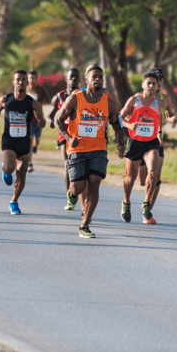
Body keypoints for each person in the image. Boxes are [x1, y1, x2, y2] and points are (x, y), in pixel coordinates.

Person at [55, 64, 125, 238]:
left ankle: (85, 224)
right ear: (86, 79)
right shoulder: (75, 98)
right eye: (94, 77)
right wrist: (69, 138)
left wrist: (120, 142)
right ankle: (71, 194)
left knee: (94, 184)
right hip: (77, 149)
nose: (98, 80)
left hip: (98, 149)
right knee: (78, 187)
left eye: (100, 77)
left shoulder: (110, 103)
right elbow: (58, 120)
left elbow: (117, 126)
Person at [118, 71, 172, 225]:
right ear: (143, 85)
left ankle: (146, 204)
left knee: (154, 173)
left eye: (154, 84)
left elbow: (158, 118)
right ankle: (126, 202)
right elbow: (120, 117)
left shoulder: (160, 103)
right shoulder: (135, 99)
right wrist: (129, 125)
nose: (151, 86)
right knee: (131, 179)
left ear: (157, 87)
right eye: (148, 83)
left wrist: (159, 132)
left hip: (151, 143)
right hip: (135, 142)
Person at [0, 70, 46, 215]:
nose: (21, 82)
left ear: (28, 83)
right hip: (9, 140)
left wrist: (40, 119)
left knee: (22, 176)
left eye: (23, 80)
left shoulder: (32, 103)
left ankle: (14, 201)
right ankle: (6, 169)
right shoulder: (6, 99)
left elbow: (42, 123)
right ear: (14, 82)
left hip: (24, 143)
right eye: (18, 79)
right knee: (10, 168)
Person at [135, 68, 177, 210]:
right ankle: (132, 169)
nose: (158, 82)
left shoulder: (165, 99)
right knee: (141, 181)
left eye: (160, 79)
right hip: (139, 140)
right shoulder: (139, 98)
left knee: (156, 175)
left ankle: (148, 209)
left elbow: (169, 117)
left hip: (156, 140)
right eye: (155, 79)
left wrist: (176, 117)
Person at [48, 68, 82, 209]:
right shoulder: (58, 97)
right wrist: (52, 121)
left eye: (76, 77)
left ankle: (75, 191)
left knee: (78, 165)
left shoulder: (83, 96)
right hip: (64, 134)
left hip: (79, 134)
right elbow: (52, 114)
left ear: (79, 80)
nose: (73, 79)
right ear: (66, 80)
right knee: (68, 163)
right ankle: (70, 196)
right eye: (71, 77)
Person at [27, 70, 48, 173]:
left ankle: (36, 145)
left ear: (36, 79)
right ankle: (30, 163)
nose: (31, 80)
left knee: (37, 139)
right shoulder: (25, 89)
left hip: (39, 118)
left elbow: (48, 100)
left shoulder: (40, 89)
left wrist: (38, 103)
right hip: (28, 119)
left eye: (33, 78)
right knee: (30, 141)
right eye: (30, 78)